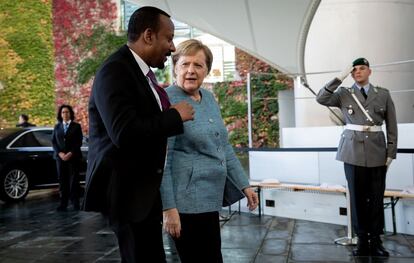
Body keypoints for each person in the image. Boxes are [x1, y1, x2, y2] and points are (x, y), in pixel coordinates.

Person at [82, 6, 194, 263]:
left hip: (142, 192)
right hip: (127, 194)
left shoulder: (139, 72)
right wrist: (175, 116)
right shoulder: (116, 70)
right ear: (148, 35)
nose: (173, 47)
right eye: (169, 38)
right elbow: (125, 132)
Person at [160, 39, 259, 263]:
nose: (191, 71)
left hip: (209, 199)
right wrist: (168, 208)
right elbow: (164, 160)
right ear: (175, 67)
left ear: (207, 70)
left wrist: (245, 185)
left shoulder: (209, 98)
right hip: (185, 204)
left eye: (198, 65)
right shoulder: (168, 100)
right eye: (185, 64)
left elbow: (223, 145)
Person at [316, 58, 398, 257]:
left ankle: (376, 240)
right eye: (354, 70)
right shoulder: (344, 94)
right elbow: (321, 98)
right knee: (357, 199)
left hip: (378, 152)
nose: (358, 72)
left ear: (370, 71)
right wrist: (339, 77)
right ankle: (362, 240)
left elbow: (392, 125)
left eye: (362, 68)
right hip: (352, 152)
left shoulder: (383, 94)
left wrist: (391, 153)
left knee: (377, 199)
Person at [52, 104, 83, 212]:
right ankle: (63, 204)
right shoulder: (57, 127)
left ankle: (75, 203)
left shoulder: (76, 126)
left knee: (74, 180)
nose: (65, 114)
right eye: (63, 112)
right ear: (60, 114)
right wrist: (60, 153)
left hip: (73, 158)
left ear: (70, 113)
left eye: (67, 112)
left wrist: (71, 153)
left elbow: (79, 142)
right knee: (62, 180)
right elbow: (54, 142)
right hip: (60, 158)